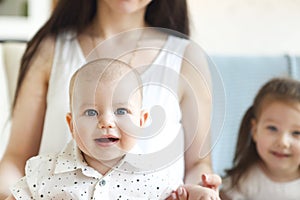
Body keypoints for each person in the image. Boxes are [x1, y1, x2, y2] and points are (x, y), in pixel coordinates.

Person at [0, 0, 221, 199]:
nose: (106, 123)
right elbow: (16, 159)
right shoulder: (50, 48)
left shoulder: (186, 56)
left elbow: (198, 163)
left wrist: (200, 191)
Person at [220, 77, 300, 200]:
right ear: (255, 130)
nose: (283, 142)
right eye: (272, 128)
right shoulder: (241, 183)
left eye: (296, 133)